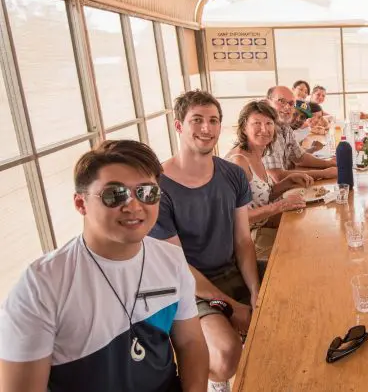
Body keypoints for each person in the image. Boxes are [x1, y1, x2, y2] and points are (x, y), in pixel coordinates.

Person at [0, 140, 208, 392]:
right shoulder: (42, 285)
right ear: (80, 204)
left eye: (147, 192)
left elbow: (190, 343)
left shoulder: (171, 260)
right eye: (115, 195)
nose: (134, 206)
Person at [148, 90, 258, 392]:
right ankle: (212, 379)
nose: (206, 129)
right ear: (179, 125)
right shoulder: (159, 188)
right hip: (188, 286)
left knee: (293, 292)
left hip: (231, 269)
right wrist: (232, 305)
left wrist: (256, 289)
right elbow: (178, 267)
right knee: (224, 357)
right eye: (197, 120)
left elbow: (243, 241)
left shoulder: (233, 174)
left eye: (213, 121)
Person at [224, 101, 311, 260]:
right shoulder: (238, 162)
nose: (264, 129)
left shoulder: (257, 152)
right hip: (249, 242)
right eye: (257, 123)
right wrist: (281, 205)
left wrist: (288, 181)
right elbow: (236, 218)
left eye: (269, 123)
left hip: (265, 227)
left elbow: (261, 196)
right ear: (244, 127)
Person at [264, 86, 336, 180]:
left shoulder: (285, 127)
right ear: (267, 102)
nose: (287, 107)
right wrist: (323, 173)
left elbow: (300, 158)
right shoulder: (265, 131)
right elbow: (276, 176)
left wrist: (328, 163)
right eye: (281, 101)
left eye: (291, 103)